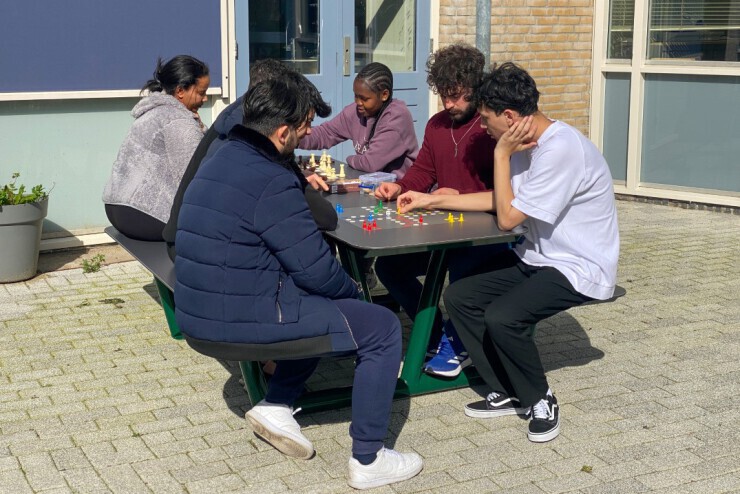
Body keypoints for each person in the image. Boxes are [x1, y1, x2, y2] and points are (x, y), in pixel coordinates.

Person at [174, 76, 423, 490]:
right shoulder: (271, 178)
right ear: (283, 132)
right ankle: (369, 458)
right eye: (306, 125)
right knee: (379, 328)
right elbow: (316, 269)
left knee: (316, 304)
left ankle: (277, 404)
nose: (310, 133)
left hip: (199, 313)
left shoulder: (224, 154)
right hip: (234, 318)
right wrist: (357, 299)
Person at [396, 62, 620, 443]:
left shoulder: (560, 149)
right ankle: (507, 389)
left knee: (503, 317)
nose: (482, 127)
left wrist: (500, 156)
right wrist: (432, 200)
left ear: (511, 117)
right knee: (461, 297)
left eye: (486, 120)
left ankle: (541, 399)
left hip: (579, 266)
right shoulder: (524, 145)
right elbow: (503, 200)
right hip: (539, 258)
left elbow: (506, 218)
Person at [372, 44, 505, 378]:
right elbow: (423, 172)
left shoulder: (491, 128)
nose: (449, 104)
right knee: (389, 267)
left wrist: (455, 195)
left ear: (476, 88)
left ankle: (459, 343)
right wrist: (400, 187)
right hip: (445, 227)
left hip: (487, 235)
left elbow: (506, 194)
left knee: (462, 274)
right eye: (445, 95)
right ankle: (433, 333)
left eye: (457, 96)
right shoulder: (436, 125)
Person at [162, 59, 334, 260]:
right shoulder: (260, 140)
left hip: (183, 239)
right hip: (201, 254)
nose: (308, 130)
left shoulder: (230, 121)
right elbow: (324, 217)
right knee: (313, 249)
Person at [103, 55, 209, 240]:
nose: (205, 98)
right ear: (180, 91)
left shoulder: (155, 110)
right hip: (144, 214)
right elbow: (193, 177)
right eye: (201, 92)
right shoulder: (178, 121)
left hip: (116, 206)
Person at [298, 62, 418, 178]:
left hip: (401, 189)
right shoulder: (355, 112)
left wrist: (349, 159)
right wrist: (294, 137)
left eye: (364, 99)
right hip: (371, 184)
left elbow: (371, 163)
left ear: (384, 95)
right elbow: (325, 133)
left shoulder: (396, 117)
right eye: (356, 96)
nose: (358, 102)